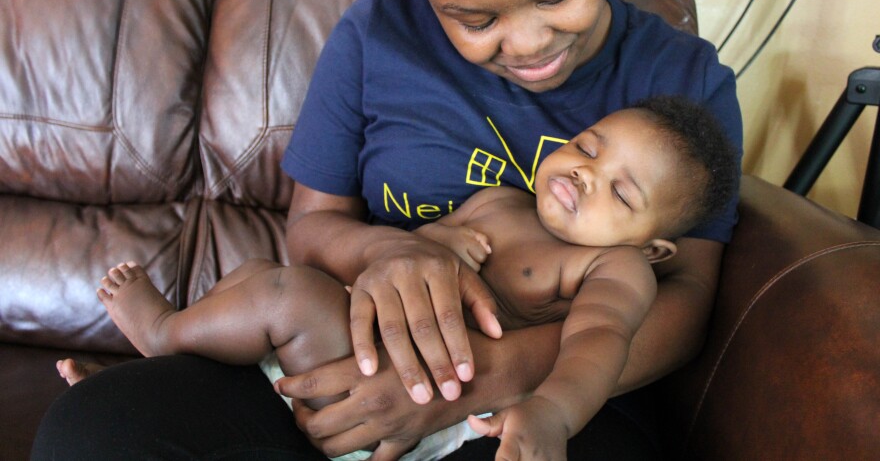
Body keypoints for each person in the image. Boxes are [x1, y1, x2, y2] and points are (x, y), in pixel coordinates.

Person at [33, 0, 743, 459]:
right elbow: (311, 230)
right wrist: (391, 247)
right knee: (95, 432)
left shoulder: (684, 83)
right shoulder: (378, 32)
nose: (529, 42)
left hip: (535, 399)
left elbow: (684, 304)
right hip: (342, 353)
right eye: (475, 19)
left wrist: (474, 381)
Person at [85, 97, 738, 460]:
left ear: (653, 246)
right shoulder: (500, 200)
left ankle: (166, 330)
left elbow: (600, 341)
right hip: (364, 340)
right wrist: (428, 239)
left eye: (620, 192)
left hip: (427, 401)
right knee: (259, 272)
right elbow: (410, 255)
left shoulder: (613, 266)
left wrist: (551, 412)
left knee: (284, 292)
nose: (585, 174)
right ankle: (156, 373)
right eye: (588, 146)